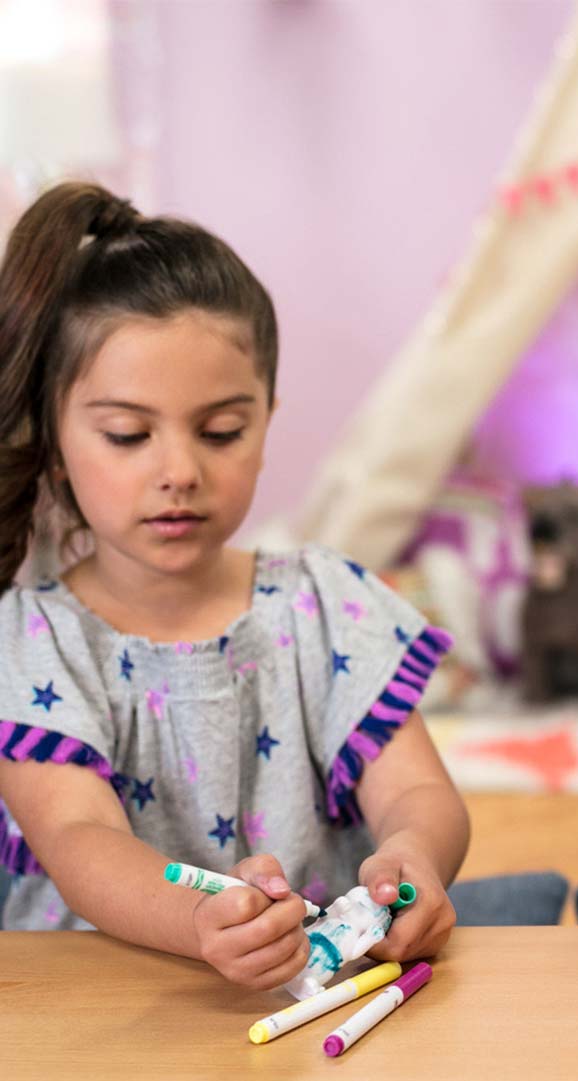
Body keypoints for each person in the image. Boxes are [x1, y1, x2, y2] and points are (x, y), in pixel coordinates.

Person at [0, 181, 470, 988]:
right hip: (99, 1003)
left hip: (307, 1001)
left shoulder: (326, 603)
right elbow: (78, 837)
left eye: (221, 431)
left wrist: (412, 856)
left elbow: (420, 791)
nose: (180, 470)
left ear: (265, 419)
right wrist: (200, 921)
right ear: (55, 441)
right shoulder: (33, 639)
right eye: (128, 434)